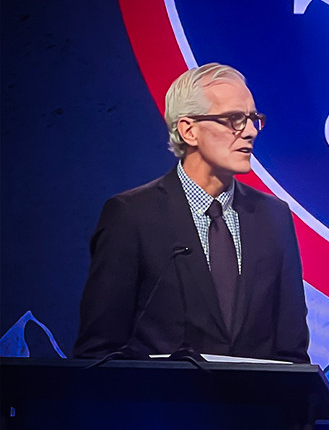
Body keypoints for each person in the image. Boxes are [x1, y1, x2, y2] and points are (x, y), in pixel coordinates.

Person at [73, 63, 310, 363]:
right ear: (189, 130)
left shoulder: (274, 217)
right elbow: (98, 351)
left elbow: (292, 353)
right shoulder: (132, 216)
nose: (250, 132)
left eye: (253, 119)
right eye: (235, 119)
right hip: (161, 406)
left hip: (254, 408)